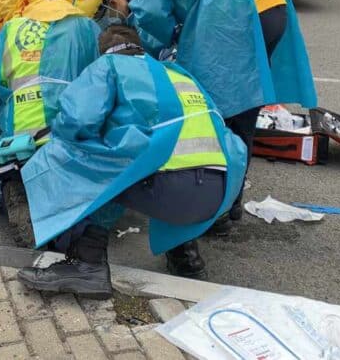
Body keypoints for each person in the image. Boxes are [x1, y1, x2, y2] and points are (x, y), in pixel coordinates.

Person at [17, 26, 248, 296]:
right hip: (219, 190)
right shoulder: (177, 73)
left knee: (69, 155)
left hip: (171, 190)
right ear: (140, 48)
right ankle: (186, 258)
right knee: (166, 161)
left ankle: (86, 264)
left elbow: (75, 122)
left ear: (101, 52)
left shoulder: (108, 66)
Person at [113, 0, 316, 231]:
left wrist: (154, 48)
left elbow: (153, 12)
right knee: (243, 108)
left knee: (217, 107)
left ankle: (216, 207)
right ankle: (231, 203)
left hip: (234, 8)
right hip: (271, 2)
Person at [0, 0, 101, 244]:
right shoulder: (83, 26)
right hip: (71, 130)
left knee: (4, 146)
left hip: (20, 136)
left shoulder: (9, 31)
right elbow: (99, 80)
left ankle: (22, 202)